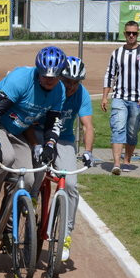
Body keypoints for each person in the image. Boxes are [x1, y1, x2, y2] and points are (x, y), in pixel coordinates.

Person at [0, 45, 67, 225]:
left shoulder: (59, 91)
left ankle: (8, 221)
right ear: (38, 69)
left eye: (53, 77)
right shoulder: (21, 79)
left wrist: (49, 145)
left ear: (61, 74)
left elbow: (54, 122)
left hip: (13, 128)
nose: (48, 80)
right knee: (6, 158)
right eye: (44, 74)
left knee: (29, 177)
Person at [31, 56, 94, 262]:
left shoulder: (81, 94)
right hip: (40, 133)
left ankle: (66, 234)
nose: (71, 87)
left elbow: (87, 126)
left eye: (76, 83)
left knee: (71, 185)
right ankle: (30, 202)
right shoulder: (51, 90)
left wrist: (88, 151)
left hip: (64, 140)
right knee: (37, 171)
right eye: (67, 81)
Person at [101, 20, 140, 175]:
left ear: (138, 34)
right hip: (119, 97)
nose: (131, 35)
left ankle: (127, 161)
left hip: (138, 99)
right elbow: (109, 75)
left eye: (134, 33)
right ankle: (116, 164)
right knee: (118, 128)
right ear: (124, 34)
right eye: (128, 33)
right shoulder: (116, 53)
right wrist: (105, 97)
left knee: (132, 131)